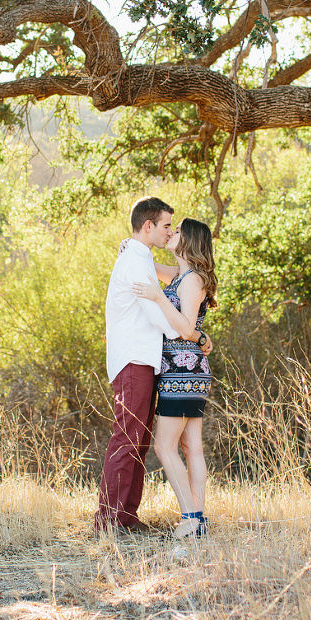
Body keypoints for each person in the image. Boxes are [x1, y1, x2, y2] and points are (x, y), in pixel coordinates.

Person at [96, 197, 212, 534]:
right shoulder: (139, 260)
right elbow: (160, 315)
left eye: (174, 230)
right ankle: (109, 522)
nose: (169, 232)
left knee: (144, 442)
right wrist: (194, 336)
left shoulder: (153, 262)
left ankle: (128, 518)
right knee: (131, 439)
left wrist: (195, 335)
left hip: (162, 364)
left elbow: (174, 297)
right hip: (138, 358)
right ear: (149, 226)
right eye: (165, 226)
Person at [132, 217, 217, 539]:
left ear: (190, 239)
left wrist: (157, 298)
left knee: (164, 446)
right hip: (186, 368)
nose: (171, 233)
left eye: (177, 230)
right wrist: (135, 246)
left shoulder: (193, 281)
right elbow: (153, 268)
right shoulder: (182, 276)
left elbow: (184, 328)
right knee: (190, 445)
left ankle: (191, 518)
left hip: (183, 370)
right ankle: (199, 519)